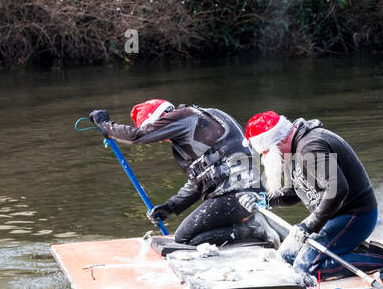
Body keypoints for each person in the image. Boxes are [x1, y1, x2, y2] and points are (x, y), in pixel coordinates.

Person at [89, 100, 273, 246]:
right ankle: (247, 229)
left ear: (159, 120)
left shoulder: (183, 117)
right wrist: (170, 207)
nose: (160, 140)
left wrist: (106, 125)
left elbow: (138, 136)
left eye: (158, 133)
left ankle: (253, 229)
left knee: (185, 237)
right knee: (194, 231)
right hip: (246, 192)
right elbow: (200, 181)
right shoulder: (201, 119)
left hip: (237, 194)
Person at [245, 111, 382, 278]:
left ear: (275, 143)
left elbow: (338, 190)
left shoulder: (310, 148)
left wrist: (310, 225)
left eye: (264, 152)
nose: (264, 158)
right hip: (330, 216)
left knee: (306, 268)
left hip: (355, 215)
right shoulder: (290, 150)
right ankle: (345, 249)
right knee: (286, 258)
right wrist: (264, 201)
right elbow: (293, 192)